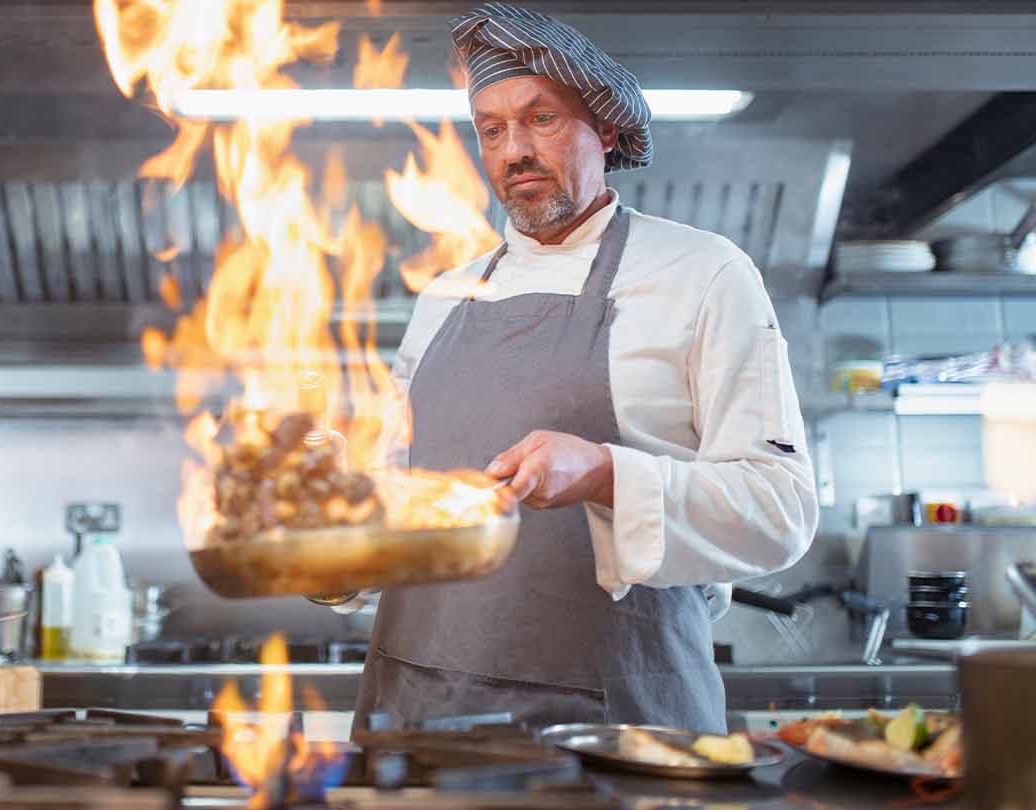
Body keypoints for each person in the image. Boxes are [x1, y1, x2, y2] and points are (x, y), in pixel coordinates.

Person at [349, 1, 818, 733]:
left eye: (541, 119)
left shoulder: (703, 274)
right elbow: (388, 504)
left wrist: (605, 473)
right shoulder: (447, 295)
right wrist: (335, 554)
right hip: (418, 724)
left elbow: (780, 512)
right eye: (492, 129)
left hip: (612, 730)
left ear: (604, 128)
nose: (514, 152)